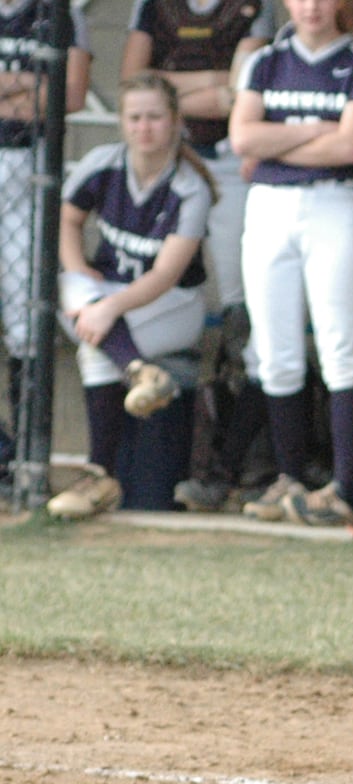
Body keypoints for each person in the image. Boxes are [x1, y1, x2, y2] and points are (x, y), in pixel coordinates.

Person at [123, 0, 280, 514]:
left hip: (232, 164)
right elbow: (134, 81)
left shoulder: (250, 8)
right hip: (172, 159)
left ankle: (241, 465)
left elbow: (235, 93)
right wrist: (202, 89)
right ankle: (205, 462)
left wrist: (171, 86)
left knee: (242, 312)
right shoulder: (155, 6)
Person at [228, 0, 353, 527]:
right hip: (269, 205)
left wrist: (277, 138)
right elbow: (242, 137)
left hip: (332, 204)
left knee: (339, 347)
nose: (311, 7)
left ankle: (343, 487)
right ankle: (289, 476)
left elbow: (351, 145)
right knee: (275, 350)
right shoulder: (264, 61)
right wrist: (318, 129)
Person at [44, 74, 213, 519]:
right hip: (108, 295)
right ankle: (140, 373)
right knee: (69, 287)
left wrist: (107, 308)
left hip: (171, 303)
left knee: (95, 345)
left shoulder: (189, 185)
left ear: (175, 121)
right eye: (134, 117)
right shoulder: (104, 161)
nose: (145, 127)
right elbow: (67, 221)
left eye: (155, 117)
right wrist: (82, 275)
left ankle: (100, 477)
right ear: (121, 121)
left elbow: (165, 274)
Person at [1, 0, 91, 466]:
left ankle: (23, 460)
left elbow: (69, 94)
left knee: (25, 316)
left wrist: (28, 90)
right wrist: (30, 83)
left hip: (27, 167)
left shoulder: (56, 12)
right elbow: (45, 88)